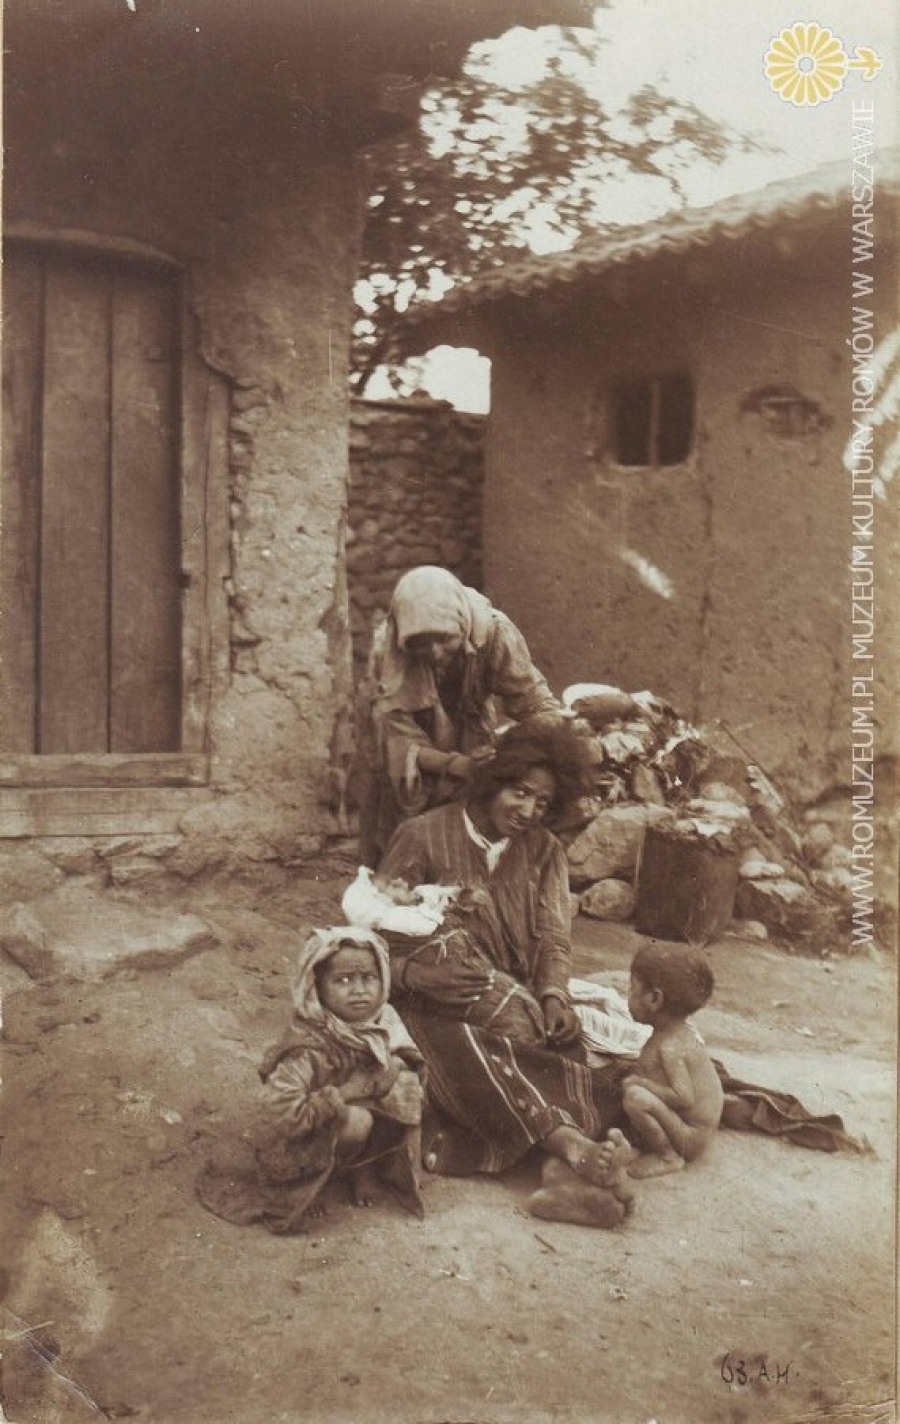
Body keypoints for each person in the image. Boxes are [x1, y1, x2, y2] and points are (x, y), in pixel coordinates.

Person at [377, 719, 624, 1188]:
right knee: (458, 1051)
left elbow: (553, 936)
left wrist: (554, 995)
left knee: (563, 1045)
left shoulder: (544, 851)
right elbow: (365, 941)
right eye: (520, 792)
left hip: (516, 1002)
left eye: (543, 802)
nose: (529, 811)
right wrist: (414, 976)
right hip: (430, 1002)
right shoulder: (422, 836)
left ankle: (553, 1162)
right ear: (493, 780)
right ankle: (567, 1144)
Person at [356, 565, 562, 866]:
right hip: (408, 755)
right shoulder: (390, 654)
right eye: (421, 643)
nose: (435, 652)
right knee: (401, 833)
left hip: (470, 727)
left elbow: (532, 700)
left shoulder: (494, 634)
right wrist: (458, 764)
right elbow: (400, 745)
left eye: (444, 638)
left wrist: (553, 736)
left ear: (462, 625)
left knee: (470, 823)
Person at [258, 926, 426, 1218]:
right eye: (343, 980)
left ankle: (361, 1167)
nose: (359, 990)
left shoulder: (383, 1019)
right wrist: (349, 1091)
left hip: (354, 1114)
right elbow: (283, 1115)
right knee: (357, 1121)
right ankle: (312, 1182)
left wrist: (394, 1067)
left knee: (406, 1086)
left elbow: (408, 1055)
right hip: (306, 1135)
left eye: (369, 977)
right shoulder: (307, 1042)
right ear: (317, 986)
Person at [621, 941, 724, 1178]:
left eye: (632, 988)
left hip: (690, 1138)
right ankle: (647, 1142)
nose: (628, 994)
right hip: (685, 1126)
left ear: (654, 999)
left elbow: (683, 1097)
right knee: (635, 1086)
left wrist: (641, 1083)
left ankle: (668, 1156)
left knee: (635, 1097)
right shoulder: (672, 1032)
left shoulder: (671, 1047)